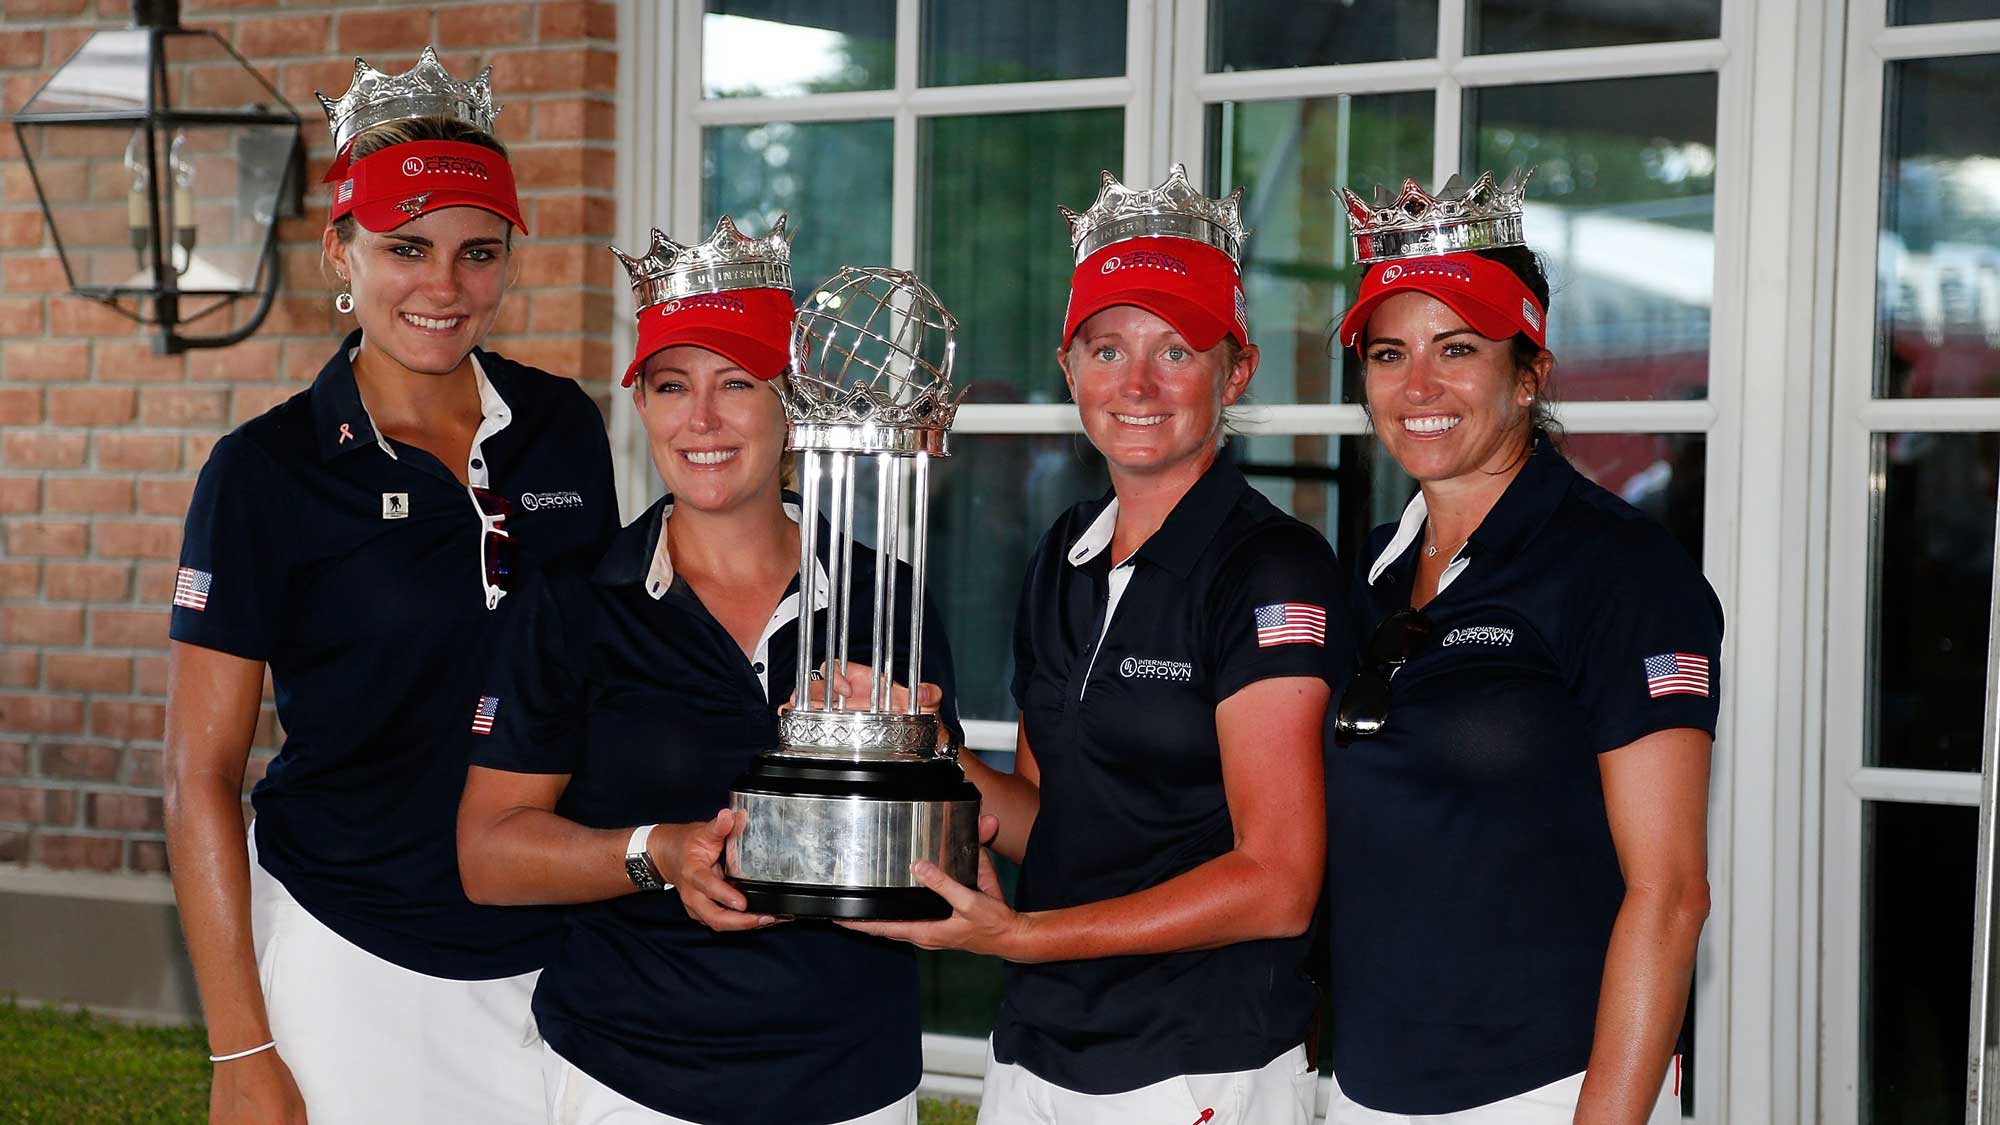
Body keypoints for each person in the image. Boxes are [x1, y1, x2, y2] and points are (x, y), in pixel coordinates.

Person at [163, 48, 617, 1125]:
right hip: (352, 949)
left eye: (478, 253)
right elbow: (196, 773)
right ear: (342, 251)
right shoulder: (265, 471)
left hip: (559, 942)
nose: (444, 288)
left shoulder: (563, 428)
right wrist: (241, 1049)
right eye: (405, 248)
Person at [848, 165, 1347, 1125]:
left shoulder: (1272, 569)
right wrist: (922, 749)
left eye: (1177, 349)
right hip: (1039, 1050)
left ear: (1234, 370)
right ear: (1068, 367)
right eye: (1107, 348)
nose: (1139, 384)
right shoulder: (1067, 552)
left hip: (1198, 1059)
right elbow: (1046, 820)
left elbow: (1278, 881)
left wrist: (1021, 935)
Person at [455, 218, 962, 1125]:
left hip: (852, 1076)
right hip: (629, 1072)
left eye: (738, 383)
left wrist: (926, 764)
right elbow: (489, 854)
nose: (703, 419)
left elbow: (931, 856)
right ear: (641, 405)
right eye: (672, 385)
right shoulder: (576, 602)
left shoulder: (883, 595)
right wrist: (657, 851)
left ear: (792, 404)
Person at [1323, 170, 1721, 1123]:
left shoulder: (1620, 569)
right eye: (1389, 354)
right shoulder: (1372, 568)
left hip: (1547, 1088)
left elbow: (1669, 895)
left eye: (1456, 349)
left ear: (1530, 369)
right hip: (1366, 1087)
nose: (1417, 386)